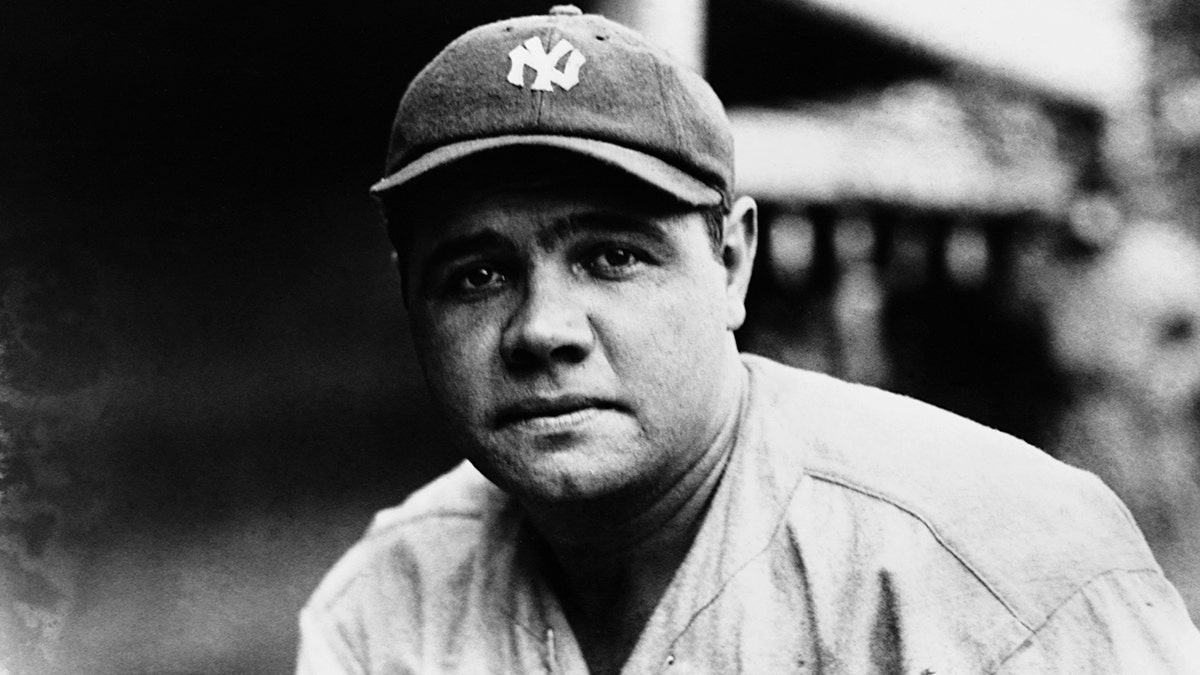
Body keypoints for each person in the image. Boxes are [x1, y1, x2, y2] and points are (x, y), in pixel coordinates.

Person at [297, 6, 1200, 673]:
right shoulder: (388, 603)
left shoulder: (993, 568)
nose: (543, 330)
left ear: (730, 264)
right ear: (410, 300)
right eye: (476, 274)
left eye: (612, 256)